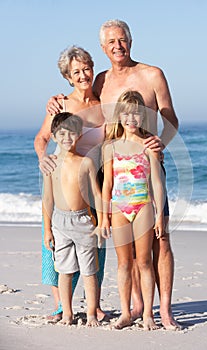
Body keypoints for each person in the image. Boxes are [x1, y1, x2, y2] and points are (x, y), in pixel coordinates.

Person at [46, 19, 180, 330]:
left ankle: (165, 310)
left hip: (147, 166)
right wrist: (56, 101)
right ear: (104, 49)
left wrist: (163, 142)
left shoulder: (152, 74)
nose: (117, 45)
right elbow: (81, 98)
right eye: (111, 42)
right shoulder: (102, 81)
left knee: (161, 240)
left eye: (122, 39)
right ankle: (134, 306)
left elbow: (170, 116)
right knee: (128, 251)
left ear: (130, 42)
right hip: (115, 169)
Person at [34, 46, 106, 322]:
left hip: (93, 177)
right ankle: (60, 305)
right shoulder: (60, 105)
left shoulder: (102, 104)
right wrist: (44, 159)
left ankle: (94, 305)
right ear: (67, 77)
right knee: (56, 242)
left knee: (93, 245)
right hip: (61, 177)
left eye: (87, 68)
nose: (83, 74)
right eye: (76, 71)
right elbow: (41, 138)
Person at [101, 90, 166, 330]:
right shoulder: (111, 147)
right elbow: (107, 183)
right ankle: (126, 313)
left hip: (143, 206)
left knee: (145, 262)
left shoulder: (149, 146)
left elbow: (157, 183)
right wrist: (105, 216)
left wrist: (160, 215)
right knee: (123, 264)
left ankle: (148, 314)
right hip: (119, 208)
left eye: (136, 115)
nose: (131, 119)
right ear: (119, 116)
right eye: (126, 114)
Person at [42, 112, 102, 326]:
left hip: (83, 221)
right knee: (65, 271)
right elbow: (47, 198)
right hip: (59, 222)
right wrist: (47, 229)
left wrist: (102, 222)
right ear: (54, 137)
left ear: (79, 136)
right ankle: (67, 313)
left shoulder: (85, 163)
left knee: (89, 272)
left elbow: (96, 195)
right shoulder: (51, 164)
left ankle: (92, 314)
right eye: (62, 133)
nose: (67, 138)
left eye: (72, 133)